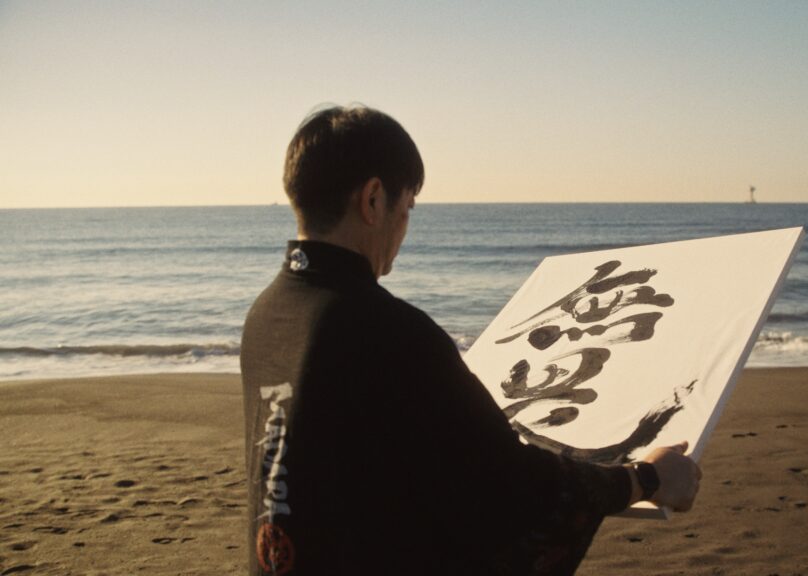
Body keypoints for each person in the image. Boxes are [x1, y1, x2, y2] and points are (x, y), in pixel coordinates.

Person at [240, 105, 702, 575]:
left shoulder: (267, 314)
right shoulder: (385, 331)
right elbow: (516, 486)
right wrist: (647, 478)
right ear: (374, 200)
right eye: (408, 206)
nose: (405, 226)